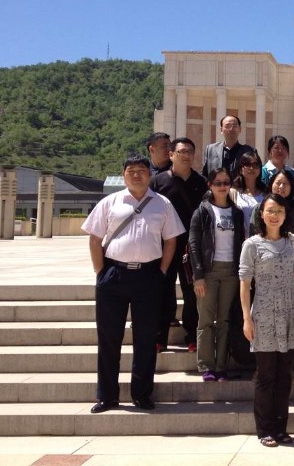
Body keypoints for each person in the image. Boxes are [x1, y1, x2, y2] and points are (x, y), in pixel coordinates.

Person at [82, 155, 184, 413]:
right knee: (109, 338)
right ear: (124, 175)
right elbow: (95, 239)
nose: (136, 175)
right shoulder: (110, 202)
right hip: (113, 275)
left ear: (149, 174)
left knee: (146, 338)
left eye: (141, 170)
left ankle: (141, 394)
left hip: (148, 276)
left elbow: (171, 240)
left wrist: (162, 271)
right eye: (131, 171)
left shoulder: (162, 204)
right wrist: (100, 272)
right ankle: (107, 396)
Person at [240, 194, 294, 447]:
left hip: (289, 312)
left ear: (285, 214)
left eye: (279, 211)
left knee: (284, 375)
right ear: (261, 214)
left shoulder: (291, 241)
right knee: (266, 375)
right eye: (270, 210)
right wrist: (246, 318)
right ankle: (265, 429)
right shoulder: (252, 245)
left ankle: (281, 427)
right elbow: (245, 284)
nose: (274, 215)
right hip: (264, 315)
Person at [148, 137, 207, 353]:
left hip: (191, 246)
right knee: (163, 289)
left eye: (190, 151)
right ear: (171, 155)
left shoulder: (201, 182)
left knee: (192, 292)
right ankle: (159, 337)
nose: (187, 155)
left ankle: (192, 336)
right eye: (182, 151)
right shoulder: (158, 182)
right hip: (165, 245)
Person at [189, 168, 246, 381]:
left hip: (231, 271)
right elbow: (193, 244)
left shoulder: (237, 212)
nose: (222, 187)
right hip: (208, 271)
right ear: (210, 185)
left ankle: (222, 366)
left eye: (226, 183)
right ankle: (206, 366)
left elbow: (241, 242)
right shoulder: (202, 211)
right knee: (205, 320)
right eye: (218, 183)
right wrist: (198, 275)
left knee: (224, 320)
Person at [201, 115, 255, 179]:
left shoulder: (249, 151)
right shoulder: (211, 149)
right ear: (221, 130)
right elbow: (204, 175)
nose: (231, 129)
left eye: (235, 126)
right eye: (227, 126)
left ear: (240, 129)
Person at [230, 151, 267, 234]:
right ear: (240, 169)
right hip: (239, 239)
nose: (251, 168)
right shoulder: (233, 193)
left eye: (255, 165)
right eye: (247, 164)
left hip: (261, 239)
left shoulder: (266, 193)